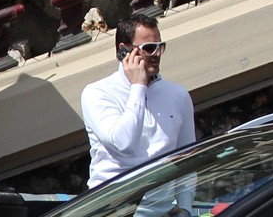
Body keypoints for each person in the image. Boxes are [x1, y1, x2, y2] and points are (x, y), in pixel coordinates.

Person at [80, 16, 196, 191]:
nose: (156, 54)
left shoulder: (178, 95)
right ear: (124, 50)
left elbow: (186, 159)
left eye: (159, 47)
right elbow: (123, 143)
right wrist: (138, 87)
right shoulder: (97, 93)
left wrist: (184, 208)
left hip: (162, 209)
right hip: (110, 207)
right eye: (148, 48)